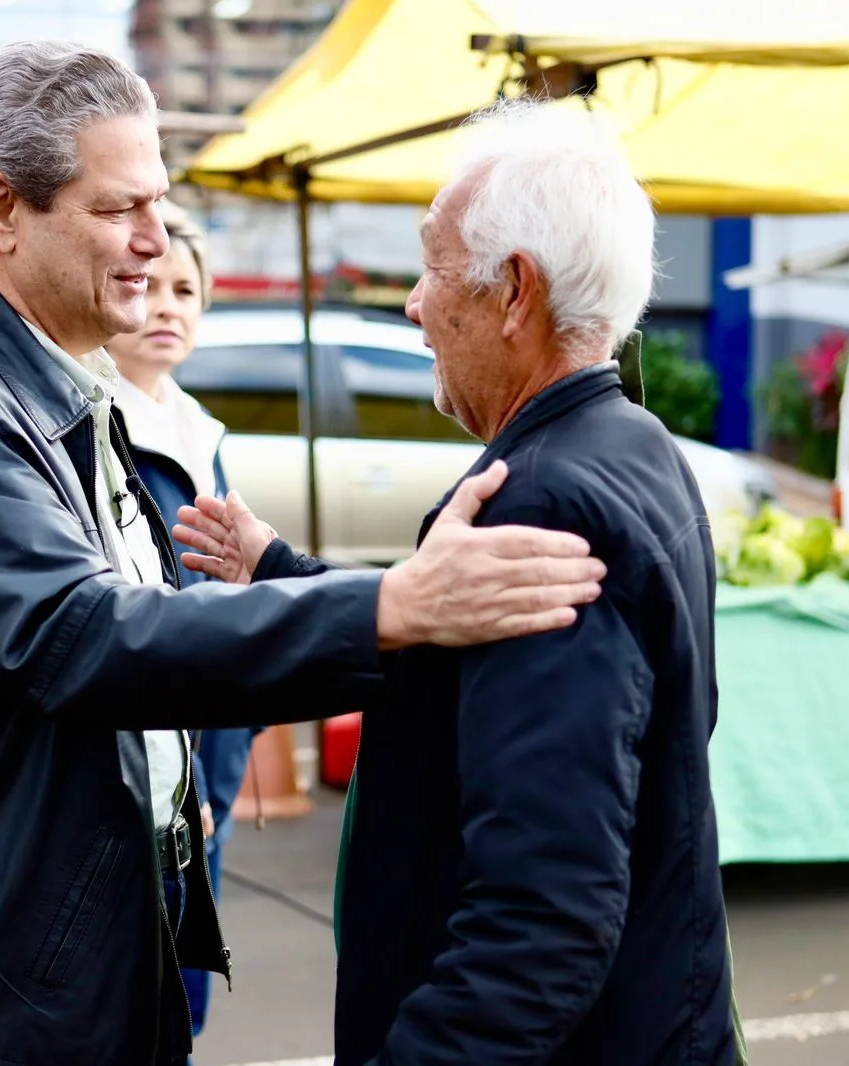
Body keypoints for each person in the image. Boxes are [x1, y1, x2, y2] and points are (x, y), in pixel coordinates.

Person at [0, 42, 609, 1066]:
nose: (156, 243)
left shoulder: (53, 378)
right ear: (0, 209)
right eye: (119, 209)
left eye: (159, 205)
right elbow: (79, 636)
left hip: (54, 959)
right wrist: (390, 607)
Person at [175, 99, 745, 1064]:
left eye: (433, 268)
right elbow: (446, 654)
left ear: (516, 291)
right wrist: (278, 570)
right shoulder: (633, 444)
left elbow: (544, 918)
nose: (413, 303)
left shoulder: (548, 502)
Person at [103, 197, 258, 1042]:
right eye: (151, 285)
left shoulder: (203, 434)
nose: (167, 306)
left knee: (183, 999)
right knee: (138, 1006)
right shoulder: (95, 426)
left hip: (211, 769)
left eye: (188, 291)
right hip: (152, 777)